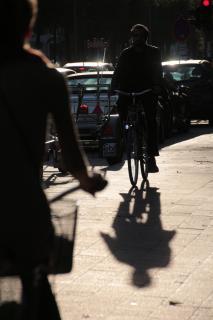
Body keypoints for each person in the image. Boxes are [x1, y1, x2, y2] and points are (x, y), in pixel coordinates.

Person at [0, 0, 107, 319]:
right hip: (25, 216)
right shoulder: (47, 78)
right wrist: (89, 181)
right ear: (29, 29)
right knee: (39, 297)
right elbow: (73, 158)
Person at [111, 24, 163, 172]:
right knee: (121, 108)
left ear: (145, 38)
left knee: (151, 120)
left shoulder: (154, 52)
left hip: (147, 90)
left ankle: (151, 156)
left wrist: (156, 85)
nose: (136, 38)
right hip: (128, 90)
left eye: (139, 36)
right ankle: (126, 136)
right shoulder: (125, 54)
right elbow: (118, 71)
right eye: (134, 35)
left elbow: (158, 70)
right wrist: (113, 87)